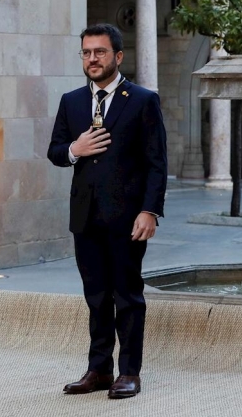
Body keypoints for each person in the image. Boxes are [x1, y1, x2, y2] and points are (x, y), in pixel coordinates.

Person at [47, 23, 167, 399]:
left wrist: (149, 211)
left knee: (127, 295)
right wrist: (75, 149)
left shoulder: (143, 100)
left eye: (99, 52)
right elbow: (55, 151)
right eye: (86, 52)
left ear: (118, 56)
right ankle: (99, 370)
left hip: (127, 218)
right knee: (96, 296)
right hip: (85, 216)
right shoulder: (72, 101)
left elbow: (156, 163)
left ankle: (129, 372)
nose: (92, 59)